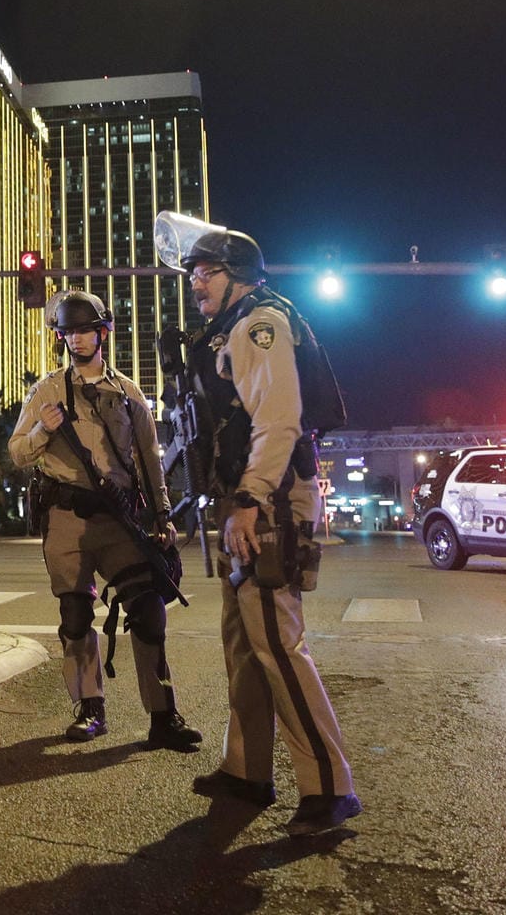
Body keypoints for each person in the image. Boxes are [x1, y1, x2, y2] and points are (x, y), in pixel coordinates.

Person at [179, 223, 362, 836]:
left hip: (272, 501)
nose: (195, 282)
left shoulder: (260, 323)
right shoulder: (235, 326)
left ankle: (329, 788)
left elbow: (279, 419)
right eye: (192, 273)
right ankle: (247, 770)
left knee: (278, 647)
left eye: (206, 271)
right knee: (244, 644)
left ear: (239, 274)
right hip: (251, 498)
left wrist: (251, 499)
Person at [9, 290, 204, 752]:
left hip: (118, 519)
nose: (76, 339)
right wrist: (43, 429)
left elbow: (149, 460)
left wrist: (161, 515)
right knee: (75, 615)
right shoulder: (46, 391)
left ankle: (163, 715)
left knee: (149, 610)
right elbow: (17, 453)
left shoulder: (127, 392)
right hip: (65, 518)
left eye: (84, 330)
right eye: (68, 332)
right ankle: (90, 707)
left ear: (102, 332)